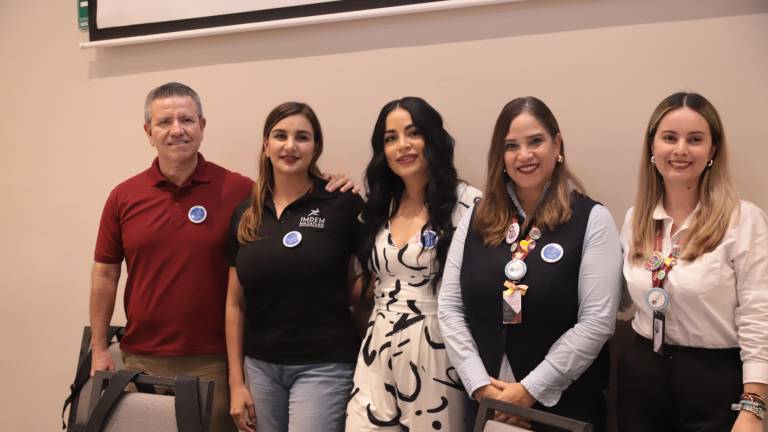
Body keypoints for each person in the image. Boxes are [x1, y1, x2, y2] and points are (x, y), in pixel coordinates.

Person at [90, 83, 354, 432]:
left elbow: (290, 198)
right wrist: (98, 347)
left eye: (186, 119)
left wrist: (326, 184)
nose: (176, 130)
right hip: (142, 357)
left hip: (215, 361)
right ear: (148, 132)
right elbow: (105, 275)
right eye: (164, 122)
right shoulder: (123, 197)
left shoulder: (240, 191)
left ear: (202, 125)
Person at [438, 96, 621, 431]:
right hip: (485, 405)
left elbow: (597, 322)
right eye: (511, 146)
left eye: (535, 141)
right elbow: (449, 306)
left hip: (562, 407)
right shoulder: (476, 217)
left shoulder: (592, 219)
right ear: (500, 156)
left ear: (557, 145)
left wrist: (529, 391)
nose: (524, 155)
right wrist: (479, 385)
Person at [617, 92, 768, 432]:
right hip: (642, 376)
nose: (680, 149)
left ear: (713, 150)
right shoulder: (635, 220)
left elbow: (759, 317)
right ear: (652, 147)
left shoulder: (743, 220)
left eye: (695, 139)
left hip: (712, 382)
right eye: (669, 138)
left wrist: (754, 408)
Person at [345, 97, 482, 431]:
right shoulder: (379, 205)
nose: (402, 146)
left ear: (432, 139)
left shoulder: (468, 204)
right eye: (390, 138)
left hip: (438, 348)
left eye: (412, 133)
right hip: (377, 345)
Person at [226, 102, 363, 432]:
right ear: (266, 144)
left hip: (324, 365)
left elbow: (372, 277)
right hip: (260, 367)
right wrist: (236, 382)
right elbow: (234, 303)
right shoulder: (247, 213)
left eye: (302, 137)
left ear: (315, 147)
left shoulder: (341, 203)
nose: (290, 146)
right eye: (280, 136)